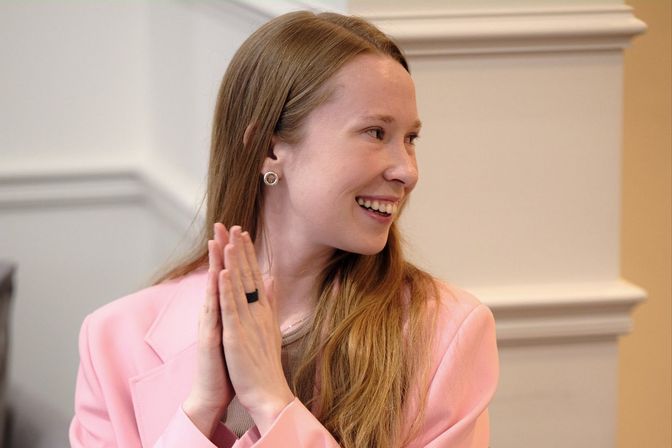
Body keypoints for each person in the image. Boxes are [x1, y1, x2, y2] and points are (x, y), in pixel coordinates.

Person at [69, 10, 498, 448]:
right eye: (375, 133)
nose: (407, 171)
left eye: (410, 139)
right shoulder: (113, 341)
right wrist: (200, 411)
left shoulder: (447, 335)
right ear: (270, 149)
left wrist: (270, 401)